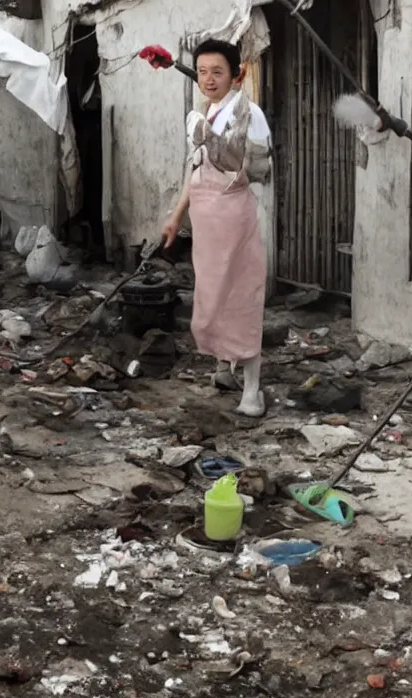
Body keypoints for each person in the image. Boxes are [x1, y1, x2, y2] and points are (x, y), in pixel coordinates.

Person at [162, 39, 272, 417]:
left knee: (241, 297)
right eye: (204, 72)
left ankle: (253, 391)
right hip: (206, 224)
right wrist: (176, 217)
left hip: (233, 218)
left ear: (235, 74)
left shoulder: (247, 112)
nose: (209, 79)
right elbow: (194, 172)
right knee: (213, 297)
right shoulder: (204, 113)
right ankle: (225, 369)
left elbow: (257, 169)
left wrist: (207, 136)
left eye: (218, 72)